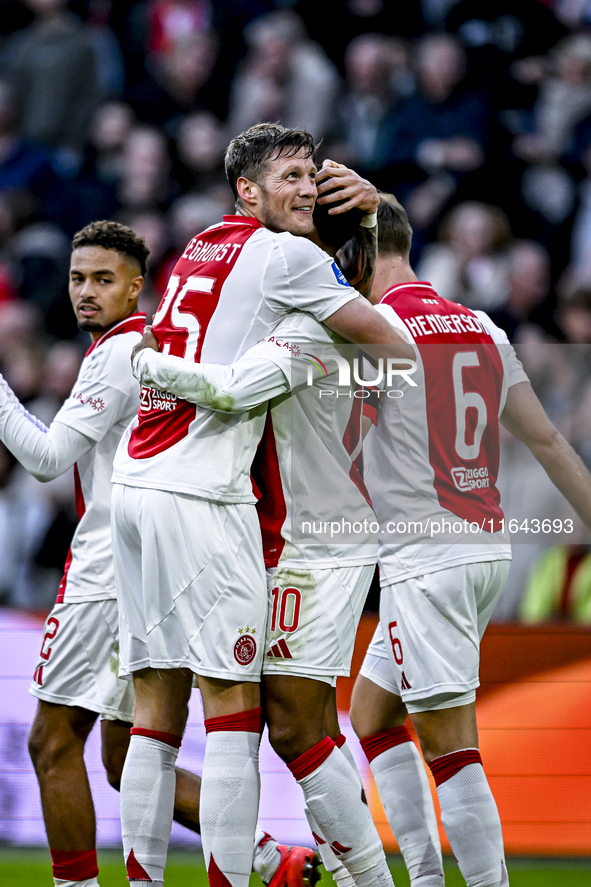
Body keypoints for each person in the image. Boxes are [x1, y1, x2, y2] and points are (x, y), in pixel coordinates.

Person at [111, 122, 410, 887]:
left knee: (281, 721)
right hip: (235, 513)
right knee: (257, 721)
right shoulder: (290, 272)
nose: (307, 188)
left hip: (311, 534)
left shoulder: (214, 253)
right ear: (250, 189)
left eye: (315, 182)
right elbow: (389, 340)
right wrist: (363, 225)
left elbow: (247, 382)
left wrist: (144, 361)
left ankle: (362, 877)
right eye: (294, 178)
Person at [0, 220, 310, 887]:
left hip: (107, 572)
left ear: (137, 287)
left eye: (103, 279)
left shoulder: (120, 351)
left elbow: (49, 458)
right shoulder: (156, 347)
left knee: (51, 742)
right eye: (79, 278)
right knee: (125, 756)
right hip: (155, 558)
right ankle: (264, 857)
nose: (86, 292)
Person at [347, 195, 591, 887]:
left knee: (451, 747)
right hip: (483, 545)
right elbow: (545, 439)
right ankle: (424, 877)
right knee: (371, 712)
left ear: (358, 258)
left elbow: (341, 451)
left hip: (427, 558)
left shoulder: (378, 327)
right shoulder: (479, 323)